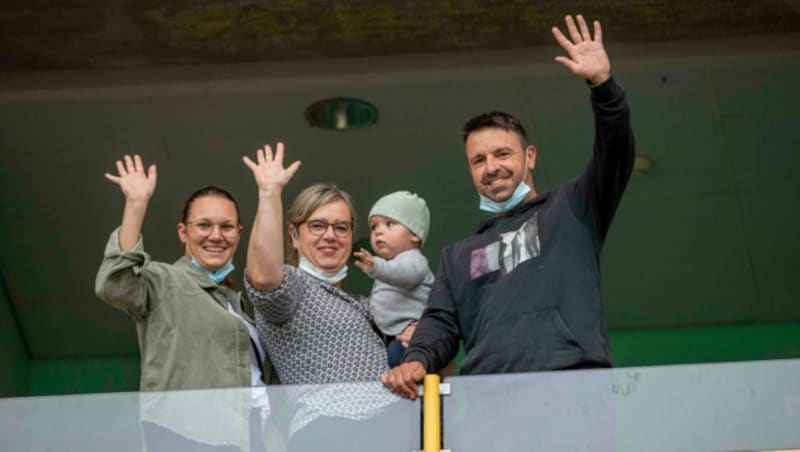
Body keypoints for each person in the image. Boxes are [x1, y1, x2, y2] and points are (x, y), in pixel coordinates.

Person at [381, 14, 636, 399]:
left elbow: (615, 150)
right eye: (478, 160)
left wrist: (603, 85)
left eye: (502, 153)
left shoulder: (573, 208)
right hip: (490, 401)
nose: (491, 167)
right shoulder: (457, 257)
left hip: (572, 388)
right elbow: (439, 324)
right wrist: (418, 359)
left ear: (530, 156)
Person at [95, 154, 274, 451]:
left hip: (251, 438)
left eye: (227, 227)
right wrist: (136, 205)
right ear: (183, 231)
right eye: (203, 225)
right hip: (189, 438)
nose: (216, 236)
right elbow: (116, 285)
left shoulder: (238, 304)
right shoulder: (164, 281)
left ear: (239, 233)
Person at [242, 143, 399, 447]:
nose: (330, 235)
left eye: (341, 228)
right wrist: (269, 193)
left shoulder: (366, 302)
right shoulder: (293, 287)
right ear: (294, 236)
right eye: (317, 226)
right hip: (330, 432)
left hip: (389, 430)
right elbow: (263, 277)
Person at [353, 191, 435, 367]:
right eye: (374, 227)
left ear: (414, 234)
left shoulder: (413, 260)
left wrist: (377, 267)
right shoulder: (390, 266)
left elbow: (405, 275)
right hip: (389, 333)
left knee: (398, 360)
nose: (378, 232)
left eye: (389, 224)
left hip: (408, 335)